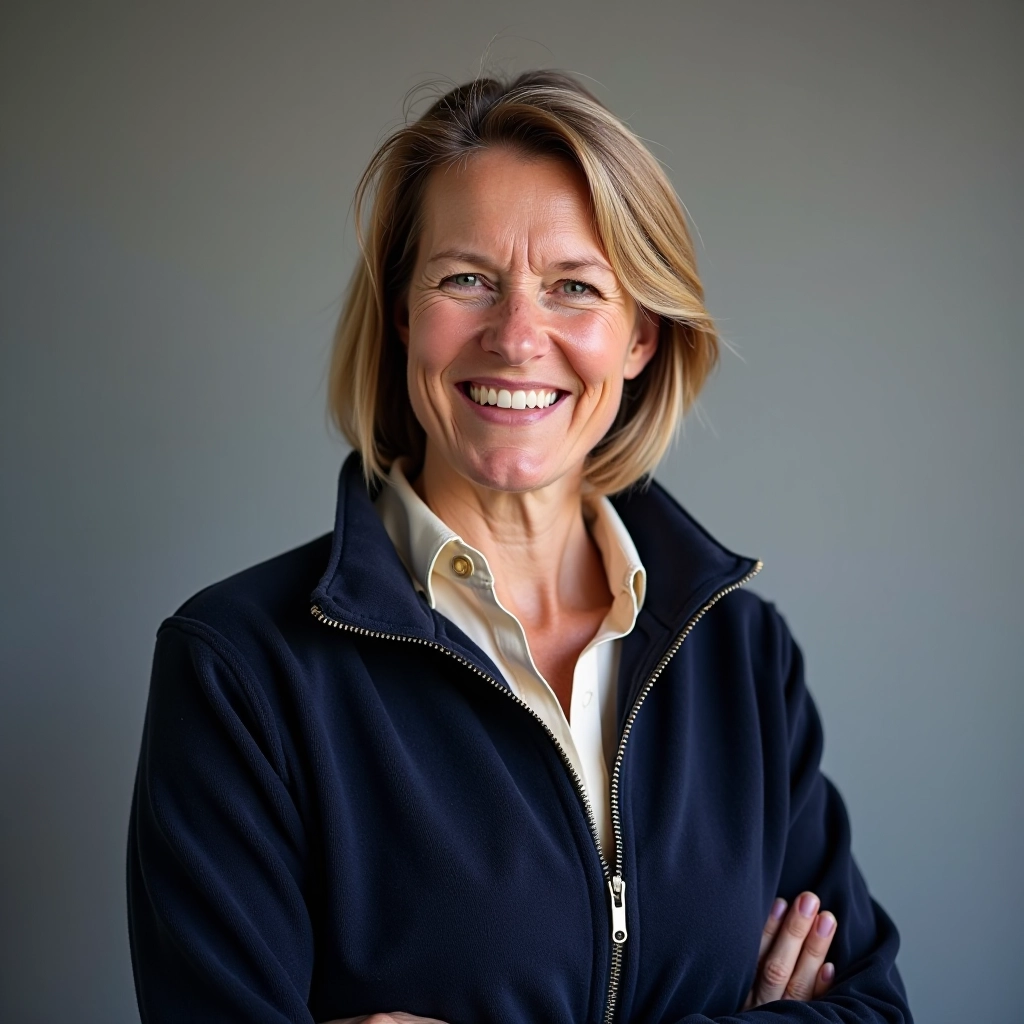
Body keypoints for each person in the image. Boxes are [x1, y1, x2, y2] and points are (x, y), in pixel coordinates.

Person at [127, 72, 911, 1024]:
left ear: (640, 337)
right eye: (467, 280)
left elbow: (871, 1009)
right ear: (403, 314)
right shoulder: (240, 671)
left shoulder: (744, 658)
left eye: (574, 287)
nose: (516, 337)